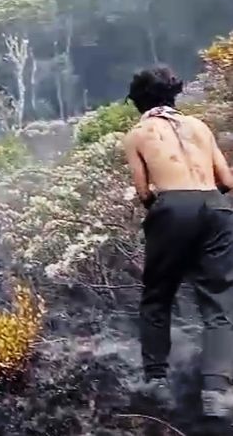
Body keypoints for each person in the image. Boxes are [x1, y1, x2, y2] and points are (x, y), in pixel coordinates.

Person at [123, 65, 233, 417]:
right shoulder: (199, 126)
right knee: (219, 302)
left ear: (138, 101)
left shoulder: (139, 133)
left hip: (173, 208)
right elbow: (226, 179)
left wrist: (167, 211)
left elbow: (143, 191)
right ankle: (216, 391)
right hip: (216, 207)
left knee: (157, 297)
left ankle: (156, 381)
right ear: (173, 95)